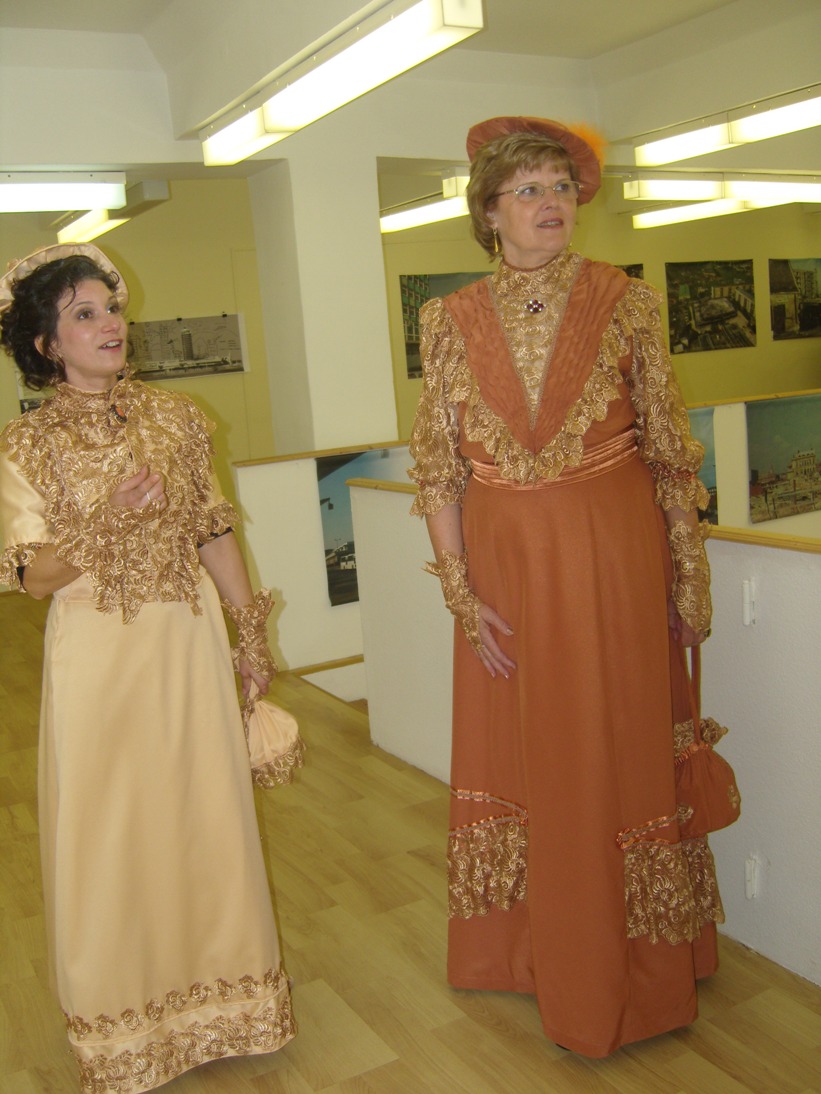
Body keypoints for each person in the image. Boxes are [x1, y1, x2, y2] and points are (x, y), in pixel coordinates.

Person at [408, 116, 722, 1057]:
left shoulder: (628, 302)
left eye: (560, 187)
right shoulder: (448, 319)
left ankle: (636, 971)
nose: (551, 203)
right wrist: (458, 592)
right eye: (528, 190)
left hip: (612, 565)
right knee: (527, 751)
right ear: (487, 213)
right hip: (505, 574)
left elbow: (668, 448)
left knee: (614, 745)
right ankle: (524, 952)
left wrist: (687, 572)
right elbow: (437, 467)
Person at [0, 244, 296, 1091]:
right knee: (112, 831)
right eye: (84, 315)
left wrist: (248, 635)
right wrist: (106, 519)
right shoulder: (25, 444)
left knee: (206, 815)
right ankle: (129, 1028)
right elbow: (31, 579)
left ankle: (227, 1006)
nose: (109, 325)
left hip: (188, 641)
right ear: (47, 344)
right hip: (98, 656)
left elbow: (213, 528)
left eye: (112, 309)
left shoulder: (179, 417)